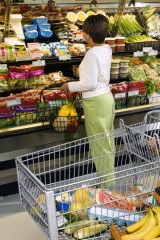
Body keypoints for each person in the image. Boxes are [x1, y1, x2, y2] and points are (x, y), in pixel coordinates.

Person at [61, 14, 115, 183]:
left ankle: (108, 185)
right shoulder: (106, 49)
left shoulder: (92, 54)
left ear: (87, 34)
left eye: (84, 32)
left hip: (96, 101)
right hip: (106, 97)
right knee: (106, 141)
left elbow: (90, 84)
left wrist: (69, 86)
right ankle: (107, 179)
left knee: (99, 144)